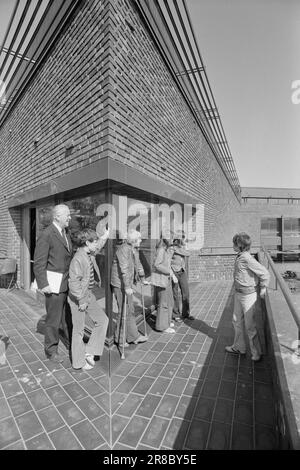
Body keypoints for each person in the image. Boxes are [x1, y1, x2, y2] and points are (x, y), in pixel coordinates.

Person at [34, 204, 72, 363]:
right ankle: (51, 351)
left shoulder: (66, 232)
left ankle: (70, 343)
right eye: (67, 215)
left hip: (66, 284)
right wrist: (44, 284)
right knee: (53, 320)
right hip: (54, 285)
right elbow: (39, 263)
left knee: (66, 317)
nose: (70, 217)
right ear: (57, 216)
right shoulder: (47, 234)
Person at [68, 229, 109, 370]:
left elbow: (98, 247)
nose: (97, 244)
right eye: (95, 241)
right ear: (87, 243)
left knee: (103, 320)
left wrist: (104, 237)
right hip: (78, 299)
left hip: (88, 295)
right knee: (78, 331)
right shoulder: (78, 259)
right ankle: (78, 363)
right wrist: (81, 301)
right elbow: (73, 283)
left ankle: (90, 351)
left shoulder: (88, 253)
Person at [225, 232, 270, 362]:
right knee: (236, 321)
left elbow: (264, 273)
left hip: (248, 296)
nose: (233, 245)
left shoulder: (246, 258)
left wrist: (263, 288)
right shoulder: (240, 256)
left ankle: (257, 353)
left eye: (234, 243)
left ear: (239, 245)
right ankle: (239, 347)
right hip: (239, 294)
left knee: (250, 326)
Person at [111, 230, 148, 347]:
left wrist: (142, 278)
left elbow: (139, 264)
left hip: (127, 283)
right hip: (120, 284)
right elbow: (124, 269)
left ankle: (133, 336)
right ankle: (121, 339)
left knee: (129, 309)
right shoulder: (123, 249)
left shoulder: (134, 249)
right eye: (139, 238)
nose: (141, 240)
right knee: (124, 310)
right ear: (133, 240)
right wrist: (127, 286)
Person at [152, 238, 177, 333]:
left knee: (169, 301)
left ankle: (166, 321)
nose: (172, 239)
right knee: (164, 303)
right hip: (162, 281)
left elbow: (166, 263)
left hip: (166, 280)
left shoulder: (165, 249)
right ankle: (162, 326)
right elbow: (157, 265)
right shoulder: (161, 250)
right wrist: (170, 272)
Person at [171, 238, 194, 322]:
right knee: (175, 294)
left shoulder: (180, 249)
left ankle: (186, 314)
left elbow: (188, 253)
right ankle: (176, 314)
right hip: (174, 272)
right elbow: (167, 261)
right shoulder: (171, 249)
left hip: (182, 271)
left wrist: (181, 248)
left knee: (186, 293)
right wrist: (172, 274)